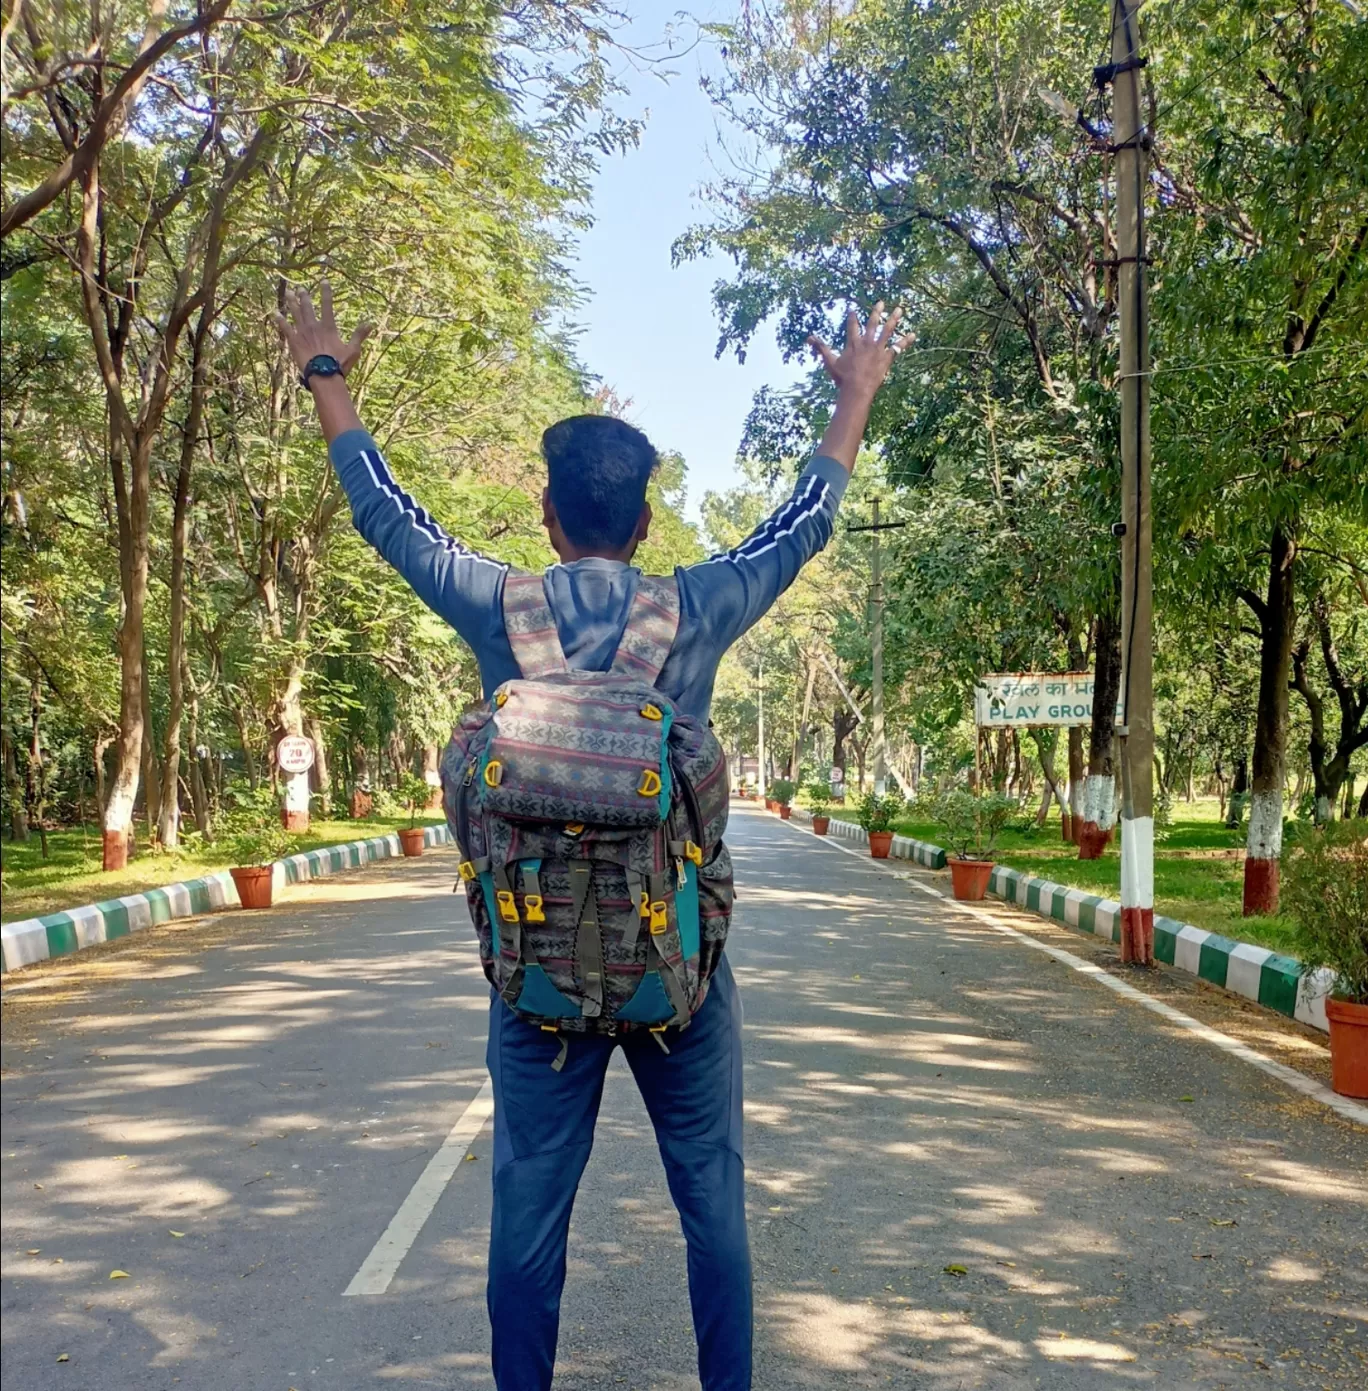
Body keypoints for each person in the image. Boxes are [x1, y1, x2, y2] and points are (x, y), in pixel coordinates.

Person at [275, 287, 902, 1390]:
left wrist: (328, 374)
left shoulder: (495, 604)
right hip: (681, 978)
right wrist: (851, 399)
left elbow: (387, 514)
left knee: (525, 1221)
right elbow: (799, 528)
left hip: (538, 982)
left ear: (549, 517)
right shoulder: (695, 606)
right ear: (646, 525)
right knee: (713, 1207)